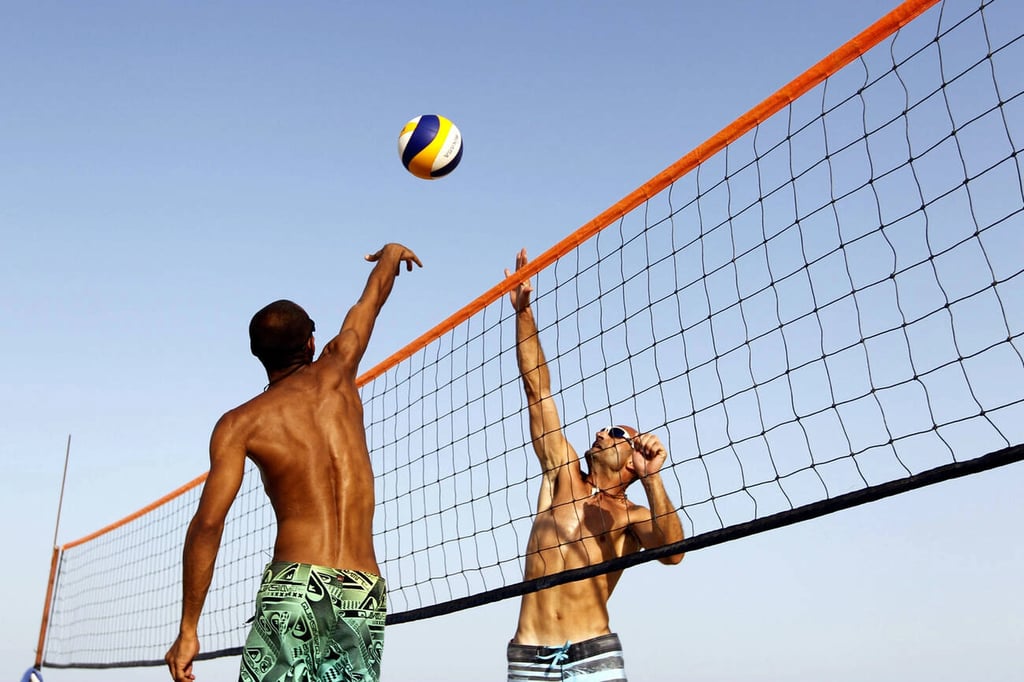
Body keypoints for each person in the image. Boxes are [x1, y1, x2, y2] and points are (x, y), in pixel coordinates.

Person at [165, 243, 422, 682]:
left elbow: (208, 524)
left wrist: (188, 629)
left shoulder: (240, 424)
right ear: (312, 341)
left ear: (257, 355)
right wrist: (391, 255)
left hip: (295, 590)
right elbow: (370, 302)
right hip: (362, 591)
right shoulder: (339, 367)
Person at [504, 248, 685, 681]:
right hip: (528, 653)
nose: (602, 433)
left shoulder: (633, 515)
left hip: (592, 653)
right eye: (602, 430)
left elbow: (673, 553)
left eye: (617, 434)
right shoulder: (561, 473)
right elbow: (538, 392)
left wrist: (653, 479)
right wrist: (524, 313)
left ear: (633, 459)